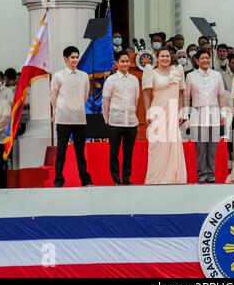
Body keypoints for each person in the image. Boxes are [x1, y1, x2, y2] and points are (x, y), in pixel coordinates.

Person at [142, 47, 187, 184]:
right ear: (157, 57)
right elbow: (146, 93)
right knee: (157, 147)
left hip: (173, 114)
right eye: (162, 56)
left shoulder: (178, 71)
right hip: (158, 113)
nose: (165, 58)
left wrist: (181, 110)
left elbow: (180, 93)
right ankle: (156, 180)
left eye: (167, 56)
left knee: (172, 145)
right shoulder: (151, 71)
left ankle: (174, 179)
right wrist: (148, 112)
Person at [50, 46, 93, 188]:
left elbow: (86, 96)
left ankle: (85, 180)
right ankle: (58, 181)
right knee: (61, 152)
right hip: (63, 118)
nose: (75, 60)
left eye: (76, 57)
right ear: (65, 59)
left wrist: (76, 107)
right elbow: (53, 96)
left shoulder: (84, 76)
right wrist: (60, 109)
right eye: (72, 57)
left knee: (80, 152)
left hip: (79, 118)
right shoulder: (58, 76)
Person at [184, 49, 228, 184]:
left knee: (212, 149)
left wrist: (223, 113)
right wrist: (186, 116)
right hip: (197, 114)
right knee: (200, 149)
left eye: (207, 58)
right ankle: (202, 177)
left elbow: (221, 96)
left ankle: (212, 176)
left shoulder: (217, 75)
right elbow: (186, 97)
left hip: (214, 113)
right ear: (196, 60)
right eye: (202, 58)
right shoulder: (191, 76)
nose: (205, 60)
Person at [102, 51, 139, 186]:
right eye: (122, 61)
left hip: (131, 121)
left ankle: (126, 178)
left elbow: (136, 99)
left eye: (127, 61)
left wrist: (131, 112)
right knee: (114, 153)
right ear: (116, 63)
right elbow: (105, 101)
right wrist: (107, 118)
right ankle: (116, 179)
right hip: (115, 121)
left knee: (128, 153)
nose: (125, 64)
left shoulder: (134, 80)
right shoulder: (111, 80)